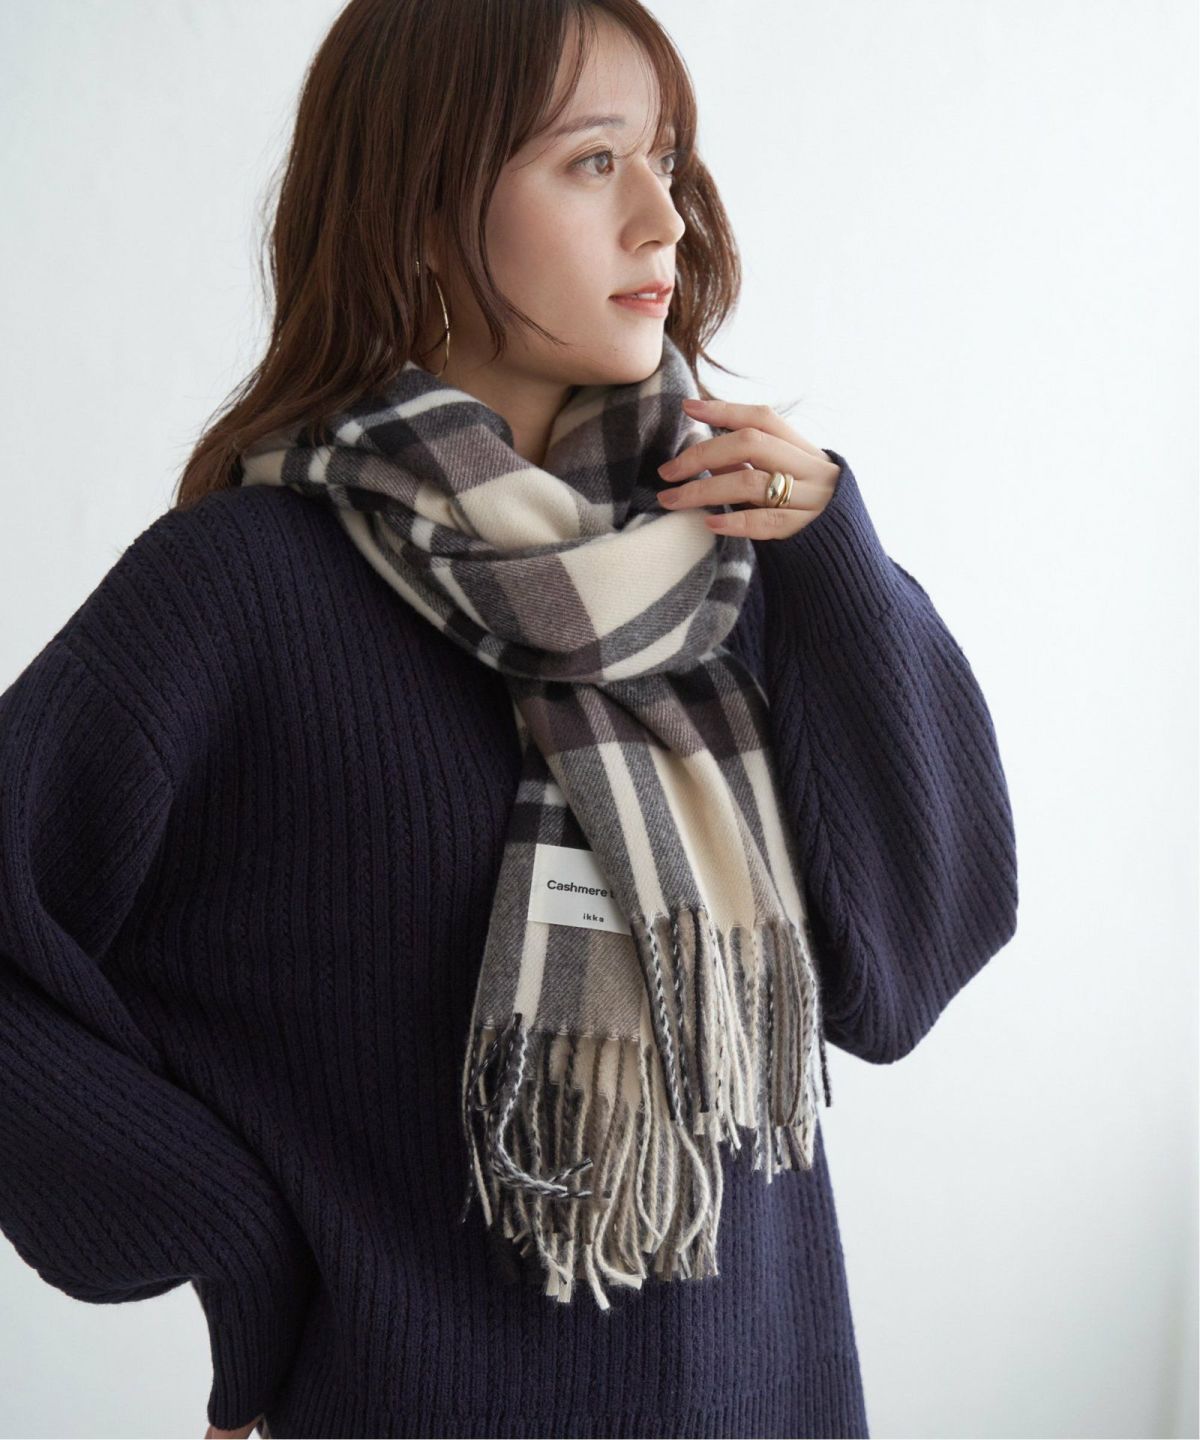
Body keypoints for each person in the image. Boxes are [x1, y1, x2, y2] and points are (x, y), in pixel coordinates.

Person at [0, 1, 1018, 1437]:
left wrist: (837, 559)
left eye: (666, 158)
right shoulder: (243, 590)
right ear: (425, 208)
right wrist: (230, 1240)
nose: (664, 218)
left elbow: (905, 969)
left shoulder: (733, 560)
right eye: (593, 162)